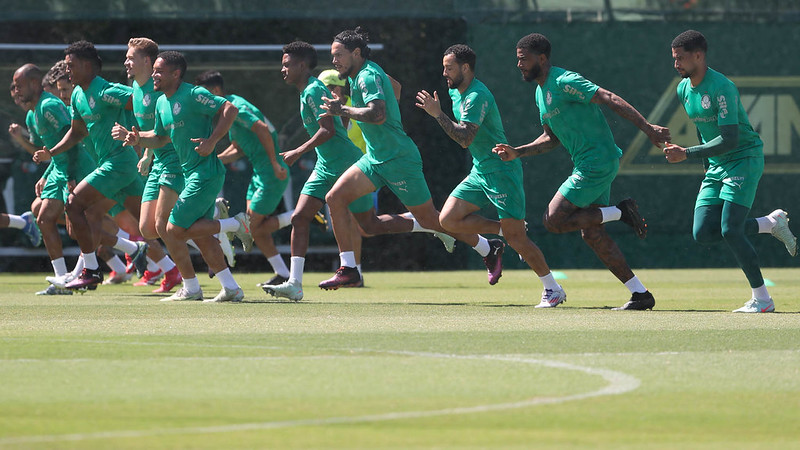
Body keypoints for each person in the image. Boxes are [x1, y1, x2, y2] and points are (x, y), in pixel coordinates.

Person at [493, 33, 671, 310]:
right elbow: (550, 138)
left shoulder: (565, 81)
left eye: (524, 59)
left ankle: (621, 212)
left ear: (542, 58)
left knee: (553, 220)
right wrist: (519, 151)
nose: (519, 65)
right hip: (590, 163)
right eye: (517, 60)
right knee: (592, 234)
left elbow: (608, 97)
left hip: (596, 163)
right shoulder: (540, 93)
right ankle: (640, 294)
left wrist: (648, 128)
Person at [319, 27, 498, 290]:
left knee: (431, 220)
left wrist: (342, 109)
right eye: (332, 56)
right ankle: (349, 269)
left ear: (356, 53)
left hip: (399, 160)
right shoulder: (366, 72)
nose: (334, 61)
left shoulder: (367, 76)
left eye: (338, 55)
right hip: (376, 158)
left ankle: (488, 246)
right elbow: (395, 87)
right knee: (339, 201)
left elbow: (377, 114)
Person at [416, 44, 566, 308]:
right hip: (480, 169)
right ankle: (499, 235)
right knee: (448, 219)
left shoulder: (477, 96)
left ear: (465, 68)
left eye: (449, 68)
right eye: (443, 68)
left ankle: (552, 288)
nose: (444, 73)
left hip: (501, 170)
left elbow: (464, 138)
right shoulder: (454, 91)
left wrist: (437, 114)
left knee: (518, 238)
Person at [664, 30, 797, 313]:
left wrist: (686, 153)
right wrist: (706, 166)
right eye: (674, 59)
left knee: (730, 230)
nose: (676, 64)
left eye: (681, 58)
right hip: (716, 166)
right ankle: (769, 224)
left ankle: (762, 300)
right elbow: (703, 131)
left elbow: (729, 139)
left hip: (743, 158)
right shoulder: (683, 89)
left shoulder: (721, 87)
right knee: (703, 233)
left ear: (698, 55)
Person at [113, 51, 250, 302]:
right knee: (196, 234)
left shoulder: (194, 94)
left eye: (159, 71)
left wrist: (212, 141)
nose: (154, 74)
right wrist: (137, 139)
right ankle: (230, 288)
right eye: (153, 69)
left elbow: (230, 109)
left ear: (176, 74)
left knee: (172, 229)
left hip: (205, 174)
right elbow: (160, 138)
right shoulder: (162, 102)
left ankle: (235, 225)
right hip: (191, 174)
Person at [264, 41, 376, 301]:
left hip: (346, 163)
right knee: (299, 218)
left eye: (287, 64)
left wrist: (297, 151)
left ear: (302, 66)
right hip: (326, 165)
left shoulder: (314, 90)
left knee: (371, 225)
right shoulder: (306, 92)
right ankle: (294, 283)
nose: (283, 69)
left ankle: (429, 225)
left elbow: (329, 130)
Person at [33, 41, 148, 290]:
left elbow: (142, 103)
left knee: (74, 205)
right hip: (112, 166)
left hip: (119, 163)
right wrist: (51, 152)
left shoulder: (105, 90)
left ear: (86, 66)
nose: (67, 70)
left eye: (71, 65)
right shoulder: (76, 94)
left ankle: (91, 270)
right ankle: (220, 222)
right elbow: (76, 132)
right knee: (154, 225)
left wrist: (143, 136)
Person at [194, 70, 294, 287]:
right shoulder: (227, 113)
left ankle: (299, 215)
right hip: (259, 174)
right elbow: (238, 149)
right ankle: (283, 273)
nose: (201, 101)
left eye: (204, 95)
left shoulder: (234, 105)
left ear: (216, 91)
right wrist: (214, 159)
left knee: (251, 227)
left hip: (271, 173)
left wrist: (275, 163)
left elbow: (262, 128)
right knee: (254, 229)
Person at [12, 63, 97, 295]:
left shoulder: (50, 105)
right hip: (60, 171)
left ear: (33, 83)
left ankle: (136, 251)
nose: (16, 90)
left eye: (19, 85)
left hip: (78, 169)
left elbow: (72, 140)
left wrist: (71, 175)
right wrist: (48, 174)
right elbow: (49, 150)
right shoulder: (32, 115)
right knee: (44, 218)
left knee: (96, 224)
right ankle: (61, 279)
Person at [124, 37, 183, 293]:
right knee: (147, 229)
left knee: (165, 225)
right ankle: (212, 218)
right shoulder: (135, 90)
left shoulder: (158, 88)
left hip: (175, 159)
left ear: (147, 61)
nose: (126, 62)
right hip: (157, 160)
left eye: (131, 58)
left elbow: (165, 128)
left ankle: (179, 276)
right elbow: (148, 130)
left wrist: (147, 154)